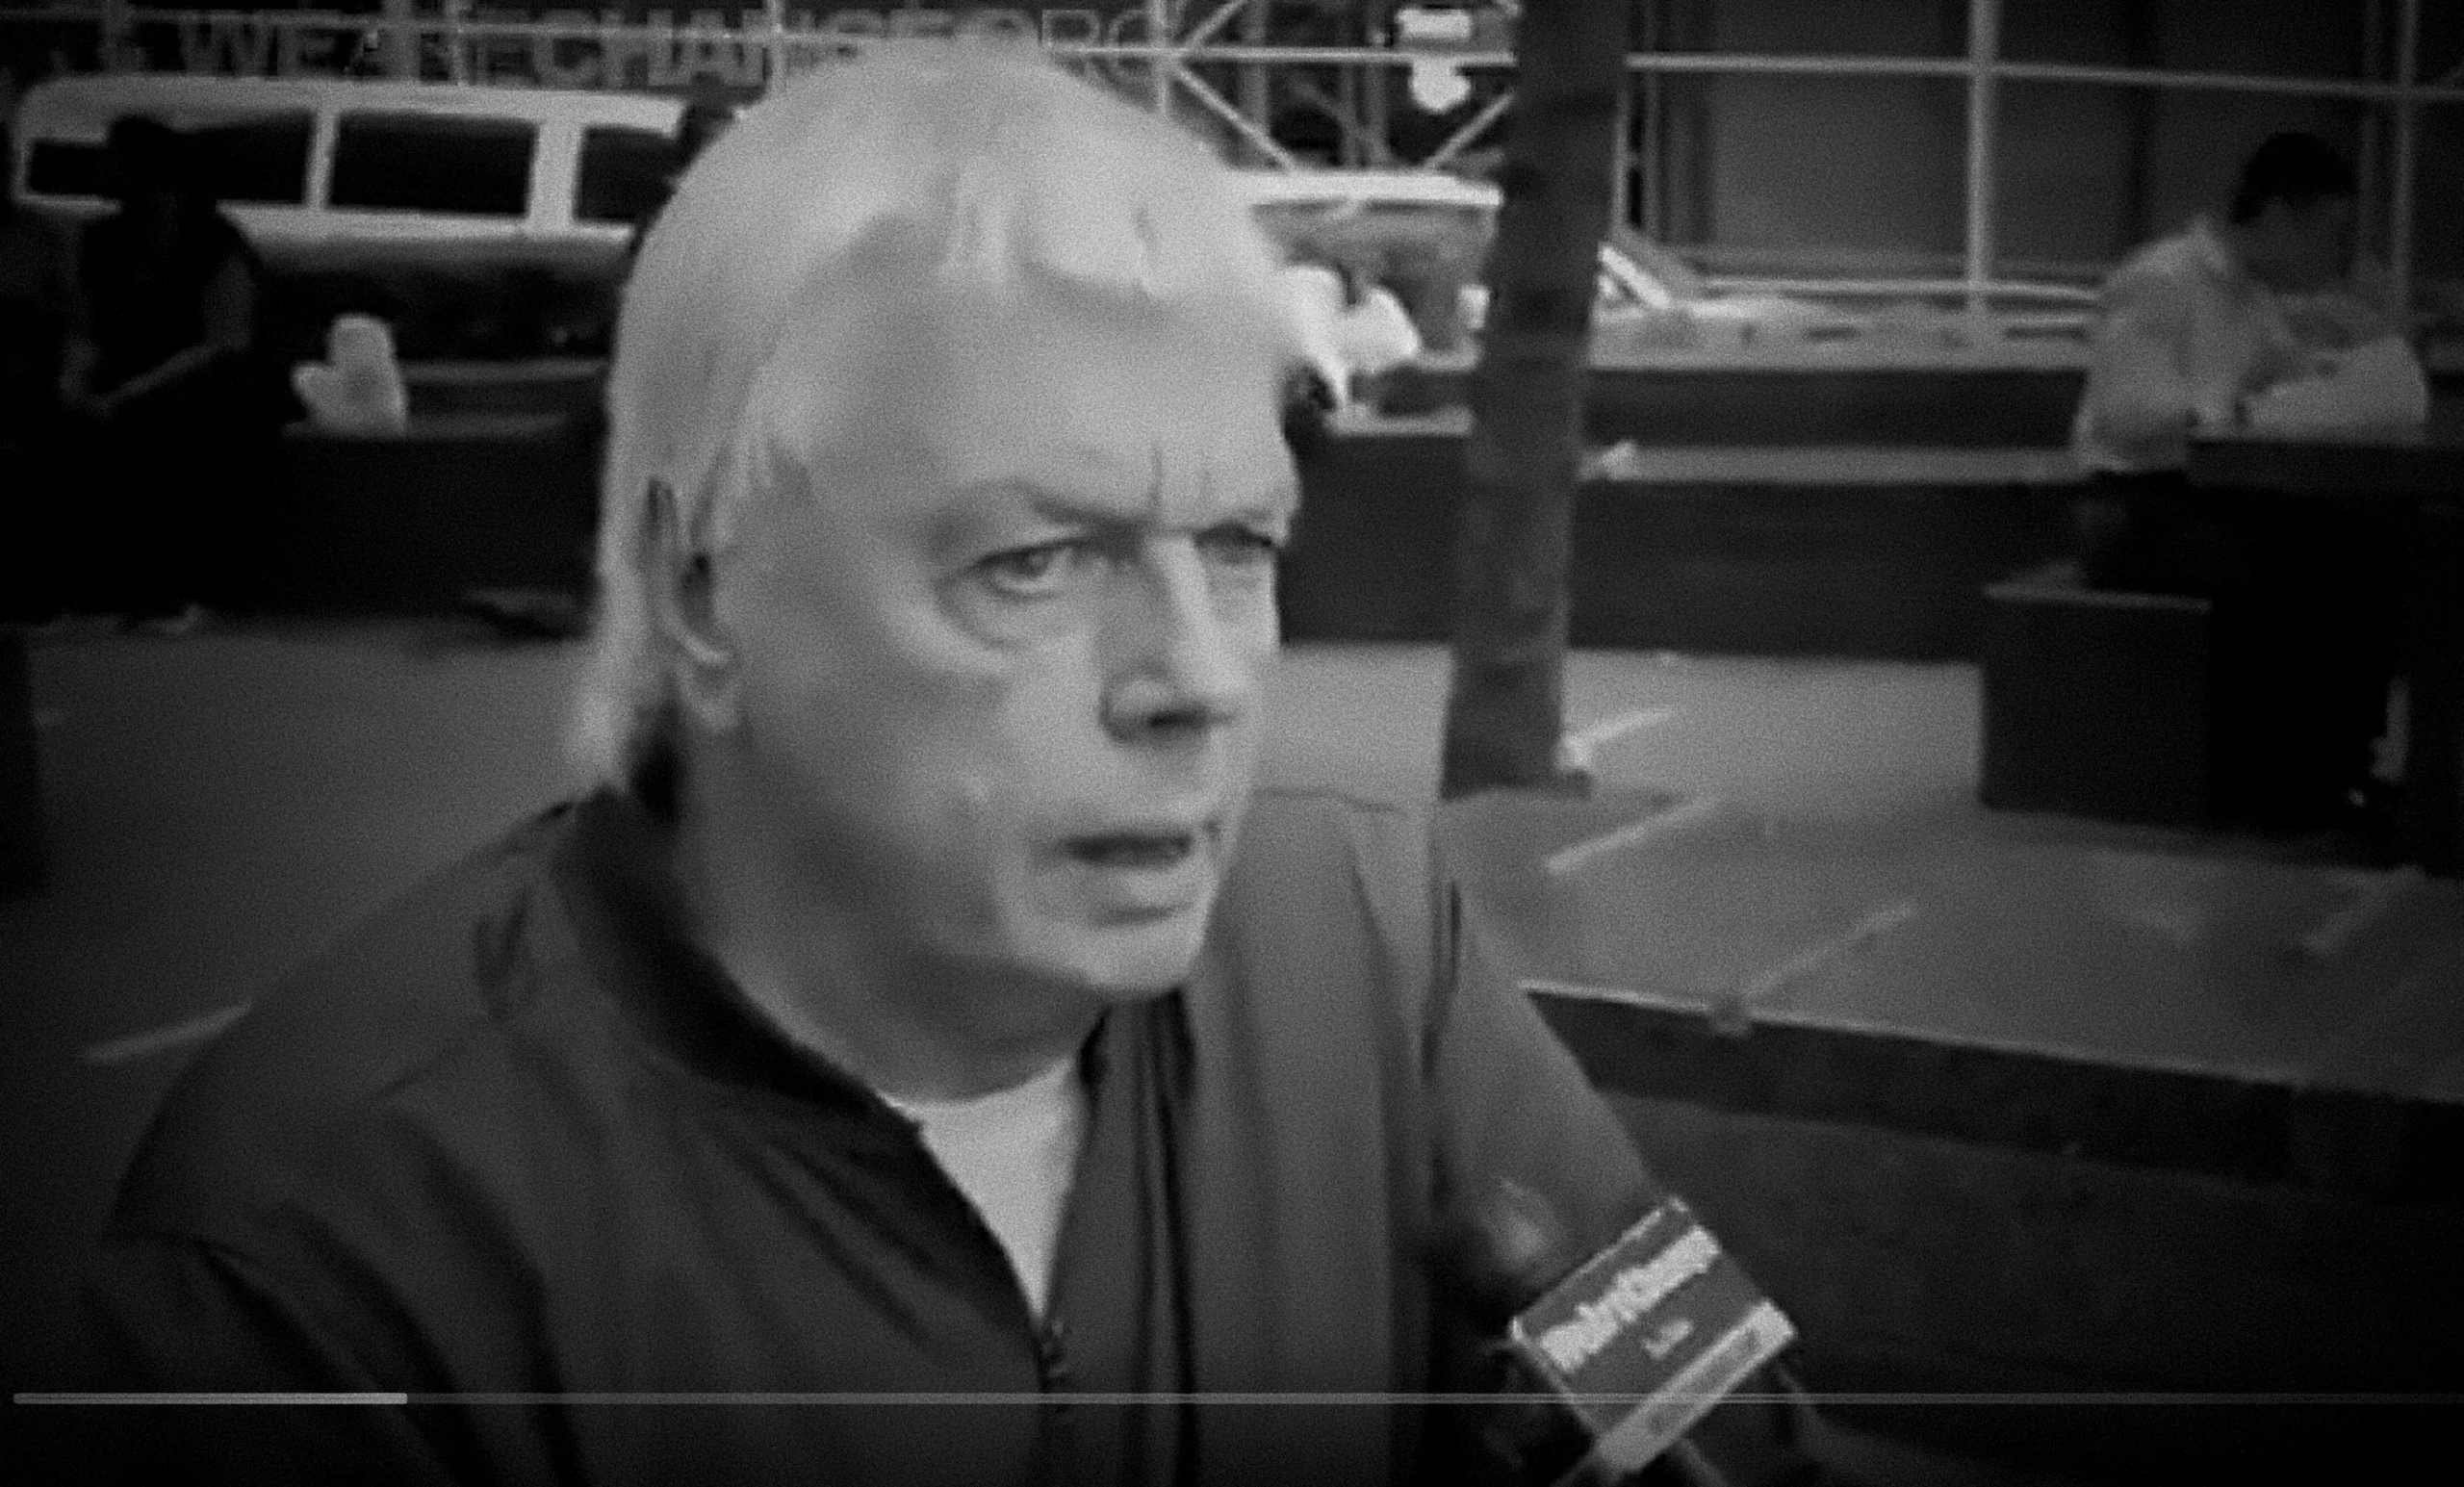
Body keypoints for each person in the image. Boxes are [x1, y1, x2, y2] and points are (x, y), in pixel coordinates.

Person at [62, 43, 1833, 1487]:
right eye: (1034, 563)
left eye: (1238, 548)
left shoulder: (1372, 946)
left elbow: (1736, 1433)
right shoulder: (316, 1266)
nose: (1199, 682)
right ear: (704, 594)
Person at [2067, 131, 2402, 832]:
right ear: (2280, 216)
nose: (2337, 254)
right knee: (2302, 568)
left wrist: (2351, 367)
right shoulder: (2162, 280)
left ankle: (2339, 769)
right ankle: (2284, 786)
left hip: (2202, 495)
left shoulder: (2251, 295)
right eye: (2331, 232)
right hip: (2133, 505)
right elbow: (2126, 413)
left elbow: (2287, 370)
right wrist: (2231, 409)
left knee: (2370, 548)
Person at [57, 115, 282, 632]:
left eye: (114, 159)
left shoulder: (213, 240)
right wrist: (71, 384)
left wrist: (126, 396)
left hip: (205, 376)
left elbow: (223, 342)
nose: (102, 170)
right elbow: (85, 329)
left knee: (180, 423)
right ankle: (88, 590)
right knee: (61, 428)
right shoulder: (101, 241)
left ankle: (182, 591)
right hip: (128, 373)